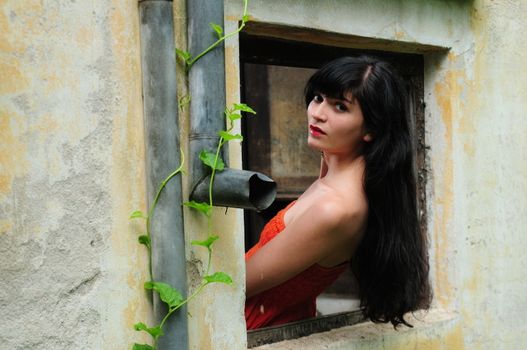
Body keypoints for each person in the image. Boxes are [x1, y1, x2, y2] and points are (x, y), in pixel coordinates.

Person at [245, 56, 431, 330]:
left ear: (371, 129)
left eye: (340, 107)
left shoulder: (335, 209)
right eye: (318, 97)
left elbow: (239, 283)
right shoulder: (337, 173)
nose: (318, 113)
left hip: (252, 327)